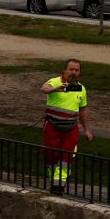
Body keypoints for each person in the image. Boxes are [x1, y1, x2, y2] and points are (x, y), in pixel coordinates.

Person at [40, 59, 92, 195]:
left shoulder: (80, 88)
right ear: (64, 70)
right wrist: (54, 89)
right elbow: (44, 88)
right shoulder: (55, 82)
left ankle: (58, 187)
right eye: (71, 69)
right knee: (51, 157)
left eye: (77, 70)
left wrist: (86, 130)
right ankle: (53, 181)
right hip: (52, 127)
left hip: (71, 129)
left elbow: (83, 109)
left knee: (66, 159)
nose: (74, 72)